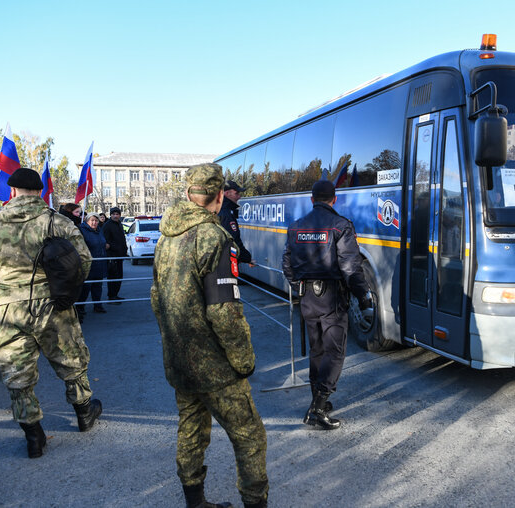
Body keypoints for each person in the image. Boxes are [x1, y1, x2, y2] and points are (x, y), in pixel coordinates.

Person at [151, 163, 268, 508]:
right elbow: (224, 312)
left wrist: (173, 343)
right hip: (214, 366)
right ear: (218, 197)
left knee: (190, 429)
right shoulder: (215, 238)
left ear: (188, 193)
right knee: (249, 436)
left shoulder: (165, 236)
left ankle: (195, 502)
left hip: (179, 359)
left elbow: (157, 299)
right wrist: (244, 360)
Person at [0, 167, 103, 459]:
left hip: (10, 309)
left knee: (16, 369)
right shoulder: (57, 222)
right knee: (70, 357)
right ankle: (83, 413)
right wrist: (64, 288)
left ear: (13, 191)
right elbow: (84, 260)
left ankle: (33, 434)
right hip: (53, 303)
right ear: (40, 192)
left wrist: (6, 290)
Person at [282, 179, 374, 430]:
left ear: (312, 199)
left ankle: (316, 401)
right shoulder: (340, 226)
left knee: (317, 350)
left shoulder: (296, 227)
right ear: (334, 200)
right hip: (332, 297)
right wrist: (364, 296)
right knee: (334, 352)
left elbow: (287, 264)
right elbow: (350, 267)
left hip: (308, 297)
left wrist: (298, 287)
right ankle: (318, 408)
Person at [77, 212, 108, 322]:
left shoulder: (99, 231)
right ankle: (80, 307)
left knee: (98, 286)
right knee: (86, 287)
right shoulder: (82, 231)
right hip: (88, 263)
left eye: (96, 221)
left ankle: (97, 305)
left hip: (99, 262)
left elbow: (102, 242)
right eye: (92, 220)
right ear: (87, 221)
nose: (94, 223)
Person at [218, 180, 255, 267]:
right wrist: (247, 258)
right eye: (236, 193)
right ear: (227, 193)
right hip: (226, 264)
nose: (239, 197)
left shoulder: (220, 210)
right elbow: (233, 241)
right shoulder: (226, 214)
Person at [102, 207, 128, 303]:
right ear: (111, 215)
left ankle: (115, 295)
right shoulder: (107, 225)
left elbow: (121, 238)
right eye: (114, 214)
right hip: (112, 256)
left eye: (117, 214)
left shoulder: (119, 224)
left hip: (120, 255)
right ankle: (112, 296)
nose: (115, 216)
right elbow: (106, 242)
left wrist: (124, 249)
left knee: (119, 276)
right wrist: (114, 248)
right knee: (113, 277)